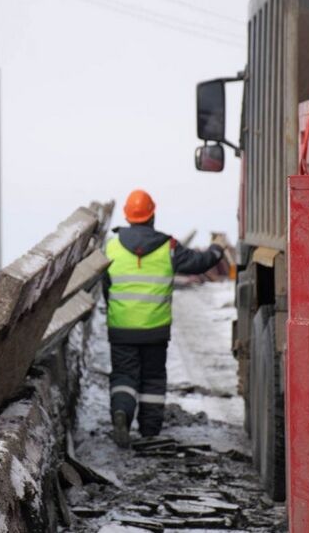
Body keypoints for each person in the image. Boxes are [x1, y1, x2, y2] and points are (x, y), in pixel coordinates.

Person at [104, 189, 224, 447]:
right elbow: (198, 262)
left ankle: (122, 412)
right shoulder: (167, 247)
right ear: (152, 215)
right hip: (155, 329)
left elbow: (104, 284)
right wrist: (216, 251)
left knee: (124, 375)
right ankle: (149, 431)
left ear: (127, 216)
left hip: (121, 327)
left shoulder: (111, 247)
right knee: (153, 379)